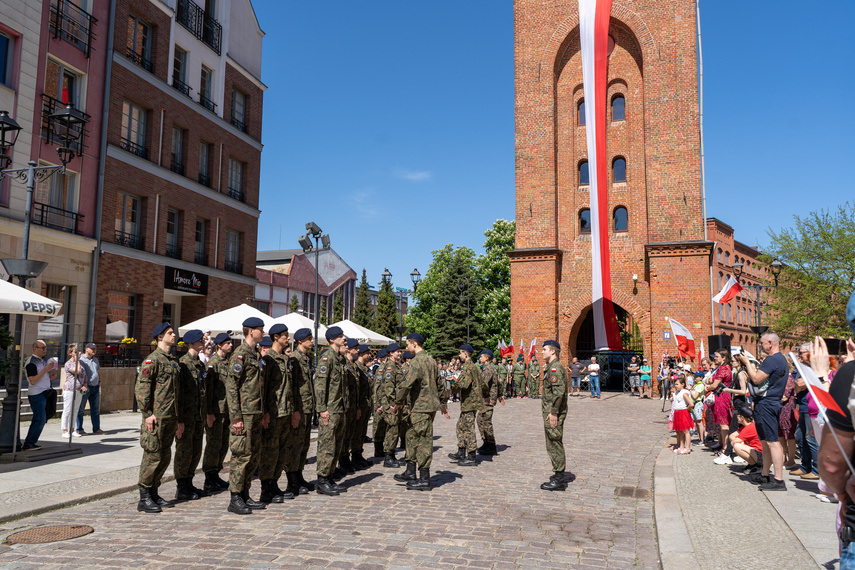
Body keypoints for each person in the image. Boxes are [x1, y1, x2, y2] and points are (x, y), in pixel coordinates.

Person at [136, 322, 183, 513]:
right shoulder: (152, 360)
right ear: (159, 337)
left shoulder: (173, 360)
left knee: (164, 456)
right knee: (152, 455)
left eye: (173, 332)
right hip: (155, 417)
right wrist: (147, 414)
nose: (174, 335)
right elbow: (142, 389)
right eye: (170, 333)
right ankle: (144, 496)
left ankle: (154, 491)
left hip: (170, 416)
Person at [391, 333, 448, 490]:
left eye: (408, 344)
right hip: (425, 407)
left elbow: (406, 384)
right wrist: (443, 404)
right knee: (411, 436)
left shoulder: (417, 362)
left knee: (423, 442)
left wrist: (397, 402)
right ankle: (410, 471)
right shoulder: (431, 361)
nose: (406, 347)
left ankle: (424, 479)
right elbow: (440, 384)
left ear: (414, 343)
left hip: (421, 408)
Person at [735, 331, 790, 491]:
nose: (760, 345)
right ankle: (765, 474)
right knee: (765, 442)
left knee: (772, 442)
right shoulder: (781, 360)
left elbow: (757, 379)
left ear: (770, 343)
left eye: (761, 343)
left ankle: (779, 480)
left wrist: (747, 364)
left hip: (767, 404)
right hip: (766, 403)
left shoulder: (772, 360)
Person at [225, 317, 268, 514]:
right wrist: (236, 417)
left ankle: (245, 493)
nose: (264, 332)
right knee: (241, 456)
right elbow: (232, 387)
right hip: (244, 414)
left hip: (256, 412)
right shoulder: (240, 355)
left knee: (253, 456)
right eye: (261, 329)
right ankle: (235, 498)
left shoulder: (255, 355)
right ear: (251, 331)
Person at [258, 323, 296, 503]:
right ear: (276, 337)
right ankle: (266, 488)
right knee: (269, 451)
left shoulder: (285, 359)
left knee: (282, 451)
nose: (288, 338)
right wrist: (265, 412)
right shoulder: (269, 360)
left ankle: (274, 484)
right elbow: (263, 389)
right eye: (285, 335)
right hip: (273, 413)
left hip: (285, 412)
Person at [314, 326, 348, 496]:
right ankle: (322, 480)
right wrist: (322, 409)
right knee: (327, 446)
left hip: (339, 409)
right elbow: (320, 386)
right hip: (330, 410)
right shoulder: (327, 358)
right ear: (332, 339)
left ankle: (330, 477)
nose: (344, 339)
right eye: (341, 337)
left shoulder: (340, 359)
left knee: (336, 445)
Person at [174, 329, 207, 501]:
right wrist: (179, 420)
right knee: (184, 453)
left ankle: (189, 482)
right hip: (186, 417)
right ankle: (181, 487)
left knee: (195, 452)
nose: (203, 344)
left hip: (197, 416)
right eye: (200, 341)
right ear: (192, 343)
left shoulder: (200, 364)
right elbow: (178, 394)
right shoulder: (183, 364)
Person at [284, 328, 316, 494]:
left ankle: (299, 475)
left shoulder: (308, 358)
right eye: (308, 339)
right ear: (300, 341)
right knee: (294, 445)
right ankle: (291, 480)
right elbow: (292, 387)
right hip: (299, 408)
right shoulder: (294, 359)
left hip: (308, 407)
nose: (312, 341)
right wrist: (295, 410)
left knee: (304, 445)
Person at [202, 333, 232, 493]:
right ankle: (209, 477)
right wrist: (209, 412)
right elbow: (208, 392)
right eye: (227, 343)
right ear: (219, 345)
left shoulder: (227, 362)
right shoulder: (213, 364)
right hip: (216, 411)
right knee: (213, 445)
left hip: (227, 411)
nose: (231, 345)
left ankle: (216, 474)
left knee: (223, 444)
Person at [447, 344, 484, 467]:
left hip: (470, 402)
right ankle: (461, 452)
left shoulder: (468, 367)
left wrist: (452, 387)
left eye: (461, 353)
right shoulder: (473, 366)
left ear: (466, 354)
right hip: (470, 402)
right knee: (460, 426)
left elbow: (463, 384)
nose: (459, 355)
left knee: (468, 428)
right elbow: (483, 383)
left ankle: (472, 456)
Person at [540, 340, 569, 491]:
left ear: (553, 351)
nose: (542, 352)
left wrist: (553, 412)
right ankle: (558, 476)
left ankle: (559, 480)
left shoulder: (555, 369)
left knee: (555, 442)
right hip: (551, 411)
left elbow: (559, 393)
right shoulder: (551, 367)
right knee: (552, 443)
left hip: (553, 412)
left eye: (544, 349)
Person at [790, 342, 819, 479]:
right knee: (800, 437)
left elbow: (799, 385)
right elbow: (796, 386)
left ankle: (817, 470)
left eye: (801, 352)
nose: (799, 354)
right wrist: (798, 386)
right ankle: (805, 466)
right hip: (802, 406)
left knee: (810, 438)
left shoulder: (814, 367)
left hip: (811, 407)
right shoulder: (802, 367)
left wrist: (799, 386)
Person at [22, 339, 58, 450]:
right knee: (40, 418)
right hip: (37, 393)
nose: (45, 350)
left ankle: (31, 442)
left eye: (45, 348)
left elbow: (40, 376)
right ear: (35, 348)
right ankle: (29, 443)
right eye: (42, 348)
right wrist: (45, 370)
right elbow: (32, 380)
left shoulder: (41, 361)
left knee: (41, 418)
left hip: (44, 392)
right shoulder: (31, 362)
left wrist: (49, 376)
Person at [380, 343, 405, 469]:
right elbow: (389, 387)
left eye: (400, 352)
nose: (399, 354)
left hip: (396, 403)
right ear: (390, 353)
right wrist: (393, 403)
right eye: (397, 352)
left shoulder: (396, 366)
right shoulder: (390, 366)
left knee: (395, 430)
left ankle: (392, 454)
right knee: (392, 430)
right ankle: (388, 456)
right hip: (391, 404)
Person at [351, 344, 373, 470]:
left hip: (366, 405)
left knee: (362, 432)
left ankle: (358, 454)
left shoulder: (365, 369)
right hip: (359, 405)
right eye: (367, 353)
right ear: (361, 354)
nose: (369, 356)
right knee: (357, 432)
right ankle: (354, 456)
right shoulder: (357, 367)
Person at [707, 349, 733, 458]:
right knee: (722, 423)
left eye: (717, 356)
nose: (714, 358)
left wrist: (706, 387)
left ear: (724, 358)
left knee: (724, 424)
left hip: (722, 397)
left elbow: (714, 385)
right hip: (720, 397)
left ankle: (726, 448)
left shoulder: (723, 369)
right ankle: (723, 444)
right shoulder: (722, 368)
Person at [477, 349, 503, 456]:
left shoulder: (488, 368)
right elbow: (499, 383)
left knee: (486, 422)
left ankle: (491, 446)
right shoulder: (490, 367)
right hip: (487, 399)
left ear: (487, 358)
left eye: (482, 356)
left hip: (488, 399)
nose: (480, 358)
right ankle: (486, 442)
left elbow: (483, 384)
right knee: (480, 420)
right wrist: (500, 395)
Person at [61, 344, 88, 439]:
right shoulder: (68, 364)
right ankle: (64, 430)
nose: (79, 353)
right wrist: (77, 362)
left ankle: (72, 429)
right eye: (76, 352)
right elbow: (78, 371)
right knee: (67, 410)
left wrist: (85, 384)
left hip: (79, 389)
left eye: (79, 351)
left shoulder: (81, 363)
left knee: (75, 410)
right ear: (70, 353)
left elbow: (84, 375)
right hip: (70, 389)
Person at [76, 343, 102, 435]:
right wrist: (83, 385)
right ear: (86, 349)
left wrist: (99, 381)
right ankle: (79, 429)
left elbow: (97, 371)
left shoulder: (95, 360)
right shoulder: (81, 359)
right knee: (81, 408)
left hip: (95, 386)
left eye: (95, 348)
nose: (94, 350)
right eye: (92, 349)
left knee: (95, 409)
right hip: (86, 387)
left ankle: (96, 428)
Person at [730, 405, 763, 471]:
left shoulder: (749, 427)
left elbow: (734, 442)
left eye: (737, 415)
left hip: (761, 455)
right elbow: (731, 436)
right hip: (756, 453)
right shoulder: (746, 426)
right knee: (738, 444)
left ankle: (755, 466)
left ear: (742, 418)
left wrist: (739, 442)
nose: (736, 417)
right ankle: (753, 464)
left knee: (737, 446)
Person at [372, 349, 388, 458]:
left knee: (383, 426)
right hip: (380, 401)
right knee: (378, 425)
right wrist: (378, 404)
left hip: (384, 401)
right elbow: (377, 387)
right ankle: (378, 449)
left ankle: (381, 448)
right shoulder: (380, 370)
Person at [670, 376, 693, 454]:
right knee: (679, 430)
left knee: (685, 430)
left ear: (683, 384)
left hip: (683, 412)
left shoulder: (684, 393)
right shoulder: (677, 392)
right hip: (677, 412)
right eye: (675, 384)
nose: (676, 386)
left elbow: (691, 404)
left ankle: (687, 447)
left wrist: (686, 409)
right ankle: (681, 446)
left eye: (677, 384)